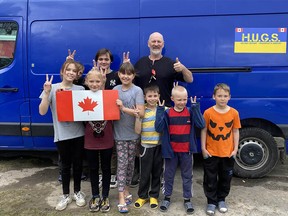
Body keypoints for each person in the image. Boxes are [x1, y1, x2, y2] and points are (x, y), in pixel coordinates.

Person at [128, 31, 194, 187]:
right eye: (153, 41)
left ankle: (162, 176)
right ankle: (140, 173)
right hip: (143, 109)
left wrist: (183, 68)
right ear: (148, 44)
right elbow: (130, 82)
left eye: (159, 41)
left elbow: (190, 79)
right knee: (141, 142)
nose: (156, 44)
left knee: (162, 144)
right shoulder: (140, 63)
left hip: (165, 111)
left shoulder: (171, 63)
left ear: (163, 45)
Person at [39, 60, 86, 211]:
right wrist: (46, 93)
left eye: (74, 70)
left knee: (78, 165)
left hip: (79, 133)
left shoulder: (80, 89)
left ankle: (78, 192)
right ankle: (65, 194)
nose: (71, 72)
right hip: (62, 135)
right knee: (65, 166)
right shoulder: (52, 88)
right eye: (68, 69)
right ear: (62, 71)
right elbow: (42, 111)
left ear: (77, 74)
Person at [155, 85, 205, 214]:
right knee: (168, 175)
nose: (182, 102)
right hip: (170, 152)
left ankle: (187, 199)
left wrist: (196, 108)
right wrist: (160, 110)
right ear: (172, 99)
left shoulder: (190, 111)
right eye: (179, 100)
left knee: (187, 176)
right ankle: (167, 198)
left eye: (184, 99)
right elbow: (158, 128)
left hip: (187, 152)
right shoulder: (167, 113)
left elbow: (201, 124)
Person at [201, 83, 241, 215]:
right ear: (214, 97)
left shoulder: (234, 113)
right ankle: (211, 202)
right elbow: (204, 131)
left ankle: (221, 199)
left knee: (225, 179)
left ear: (229, 97)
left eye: (225, 96)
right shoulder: (208, 113)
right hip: (211, 152)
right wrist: (203, 148)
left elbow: (235, 131)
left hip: (228, 153)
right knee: (210, 179)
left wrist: (235, 150)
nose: (222, 98)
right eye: (219, 96)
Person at [113, 62, 144, 213]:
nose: (126, 76)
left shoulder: (137, 90)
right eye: (123, 73)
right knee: (122, 164)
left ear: (133, 76)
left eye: (129, 74)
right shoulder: (114, 89)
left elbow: (141, 113)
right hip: (119, 134)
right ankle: (120, 197)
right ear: (119, 74)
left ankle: (125, 190)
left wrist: (123, 108)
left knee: (131, 164)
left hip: (134, 134)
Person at [84, 68, 113, 212]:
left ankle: (105, 195)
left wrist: (118, 104)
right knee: (93, 168)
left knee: (106, 168)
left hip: (107, 137)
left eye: (97, 81)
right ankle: (95, 195)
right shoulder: (81, 97)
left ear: (102, 82)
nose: (95, 84)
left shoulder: (109, 96)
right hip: (90, 139)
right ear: (86, 82)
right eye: (92, 81)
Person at [94, 48, 121, 189]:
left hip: (114, 116)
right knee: (99, 145)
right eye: (101, 59)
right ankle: (100, 174)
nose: (103, 62)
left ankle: (112, 174)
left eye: (106, 59)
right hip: (98, 116)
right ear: (97, 61)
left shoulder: (117, 75)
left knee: (114, 146)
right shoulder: (93, 75)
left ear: (111, 61)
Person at [133, 84, 163, 210]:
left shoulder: (164, 109)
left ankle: (154, 195)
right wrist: (138, 118)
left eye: (155, 95)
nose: (152, 98)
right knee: (145, 173)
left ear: (159, 96)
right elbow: (137, 131)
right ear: (145, 97)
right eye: (149, 96)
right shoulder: (142, 110)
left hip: (159, 146)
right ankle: (142, 196)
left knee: (157, 172)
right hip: (145, 146)